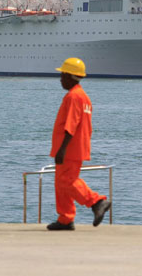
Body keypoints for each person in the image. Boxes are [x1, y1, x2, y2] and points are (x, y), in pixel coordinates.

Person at [47, 58, 111, 231]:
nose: (60, 79)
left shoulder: (74, 96)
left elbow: (71, 125)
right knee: (61, 183)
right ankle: (65, 219)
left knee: (67, 181)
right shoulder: (83, 97)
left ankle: (96, 202)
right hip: (77, 147)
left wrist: (62, 149)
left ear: (69, 76)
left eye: (62, 75)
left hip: (70, 148)